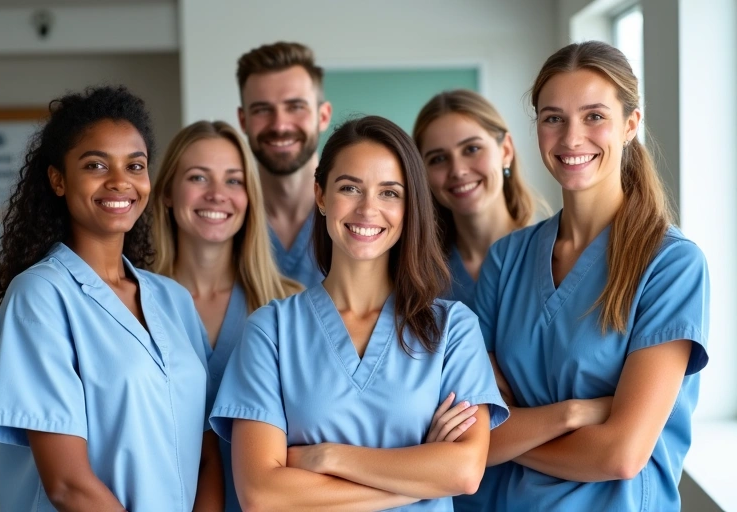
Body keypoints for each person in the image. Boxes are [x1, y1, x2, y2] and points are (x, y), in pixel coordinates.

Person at [209, 116, 509, 511]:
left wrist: (327, 457)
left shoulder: (452, 329)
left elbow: (466, 472)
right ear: (320, 195)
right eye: (350, 188)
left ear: (409, 206)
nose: (368, 209)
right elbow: (262, 495)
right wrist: (421, 476)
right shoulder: (271, 330)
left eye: (390, 193)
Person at [467, 41, 709, 512]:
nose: (572, 138)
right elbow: (474, 436)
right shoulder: (507, 259)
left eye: (595, 116)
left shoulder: (670, 265)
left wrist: (512, 433)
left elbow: (621, 455)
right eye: (553, 118)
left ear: (631, 125)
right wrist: (576, 413)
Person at [0, 86, 221, 511]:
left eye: (135, 165)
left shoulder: (173, 300)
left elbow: (207, 453)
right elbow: (68, 485)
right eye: (96, 164)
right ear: (58, 179)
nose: (120, 181)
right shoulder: (40, 298)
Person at [151, 120, 302, 511]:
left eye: (234, 181)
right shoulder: (130, 305)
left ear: (250, 197)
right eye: (199, 177)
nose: (217, 195)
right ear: (167, 192)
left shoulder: (291, 306)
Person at [413, 89, 542, 308]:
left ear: (506, 151)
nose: (458, 170)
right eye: (438, 159)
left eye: (472, 149)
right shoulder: (418, 274)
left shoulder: (548, 257)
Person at [236, 41, 332, 287]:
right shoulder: (225, 216)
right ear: (243, 120)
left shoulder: (354, 216)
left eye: (295, 107)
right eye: (262, 110)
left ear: (323, 116)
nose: (279, 125)